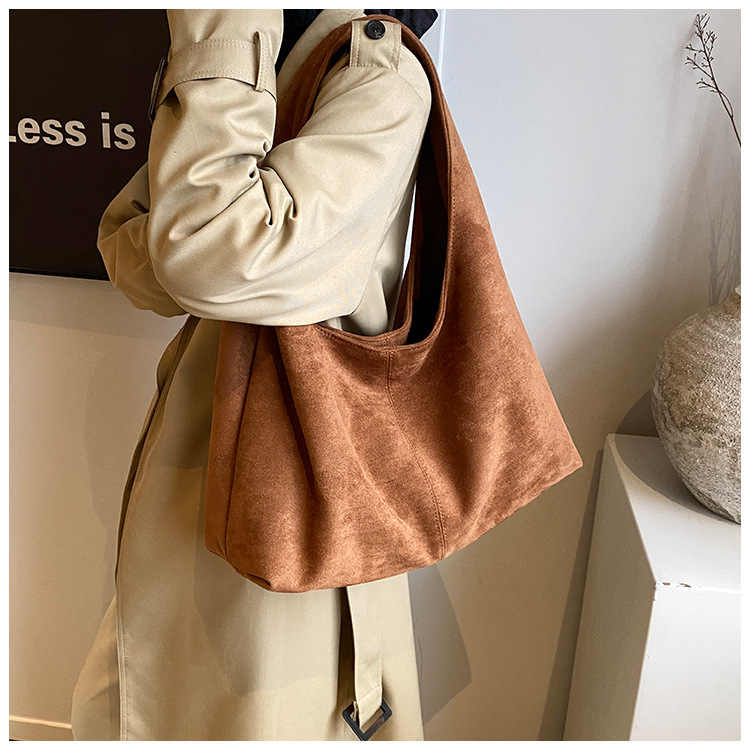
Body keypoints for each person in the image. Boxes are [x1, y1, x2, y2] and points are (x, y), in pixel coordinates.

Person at [70, 8, 437, 741]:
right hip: (198, 474)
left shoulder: (377, 73)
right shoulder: (271, 58)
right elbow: (136, 256)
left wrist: (223, 27)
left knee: (252, 712)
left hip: (292, 489)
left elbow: (199, 255)